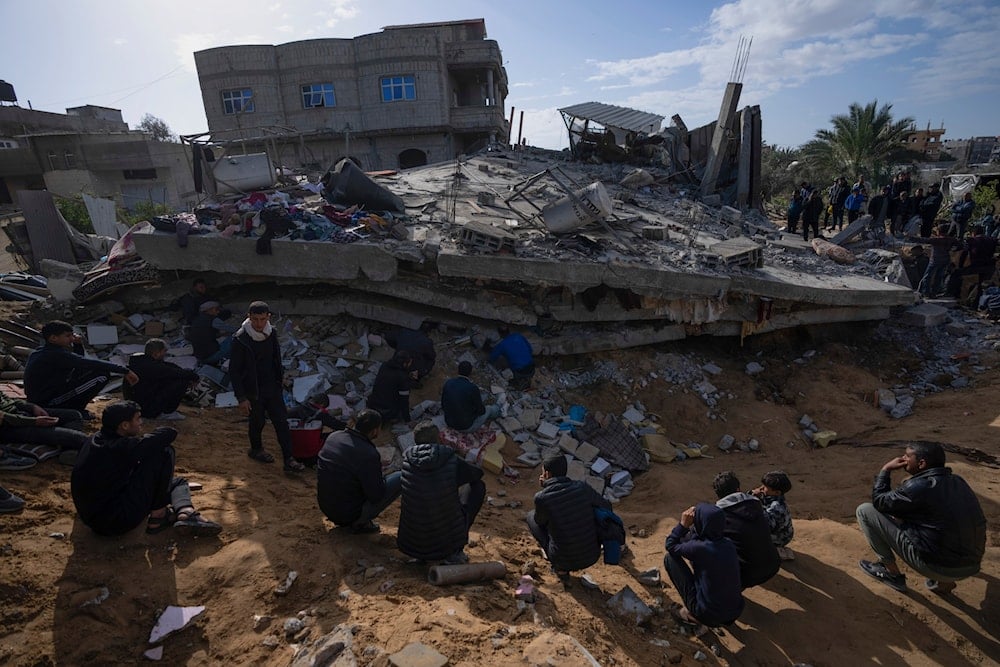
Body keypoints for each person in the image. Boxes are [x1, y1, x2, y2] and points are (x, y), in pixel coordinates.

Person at [70, 401, 221, 536]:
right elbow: (169, 433)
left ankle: (185, 511)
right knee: (164, 452)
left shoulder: (94, 439)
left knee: (177, 482)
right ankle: (159, 516)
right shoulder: (122, 447)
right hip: (116, 521)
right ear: (124, 425)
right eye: (137, 419)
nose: (141, 422)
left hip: (91, 517)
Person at [856, 442, 985, 595]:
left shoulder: (917, 487)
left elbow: (880, 502)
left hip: (938, 567)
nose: (903, 458)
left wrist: (886, 470)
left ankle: (891, 573)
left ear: (922, 463)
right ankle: (943, 583)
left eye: (907, 456)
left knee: (865, 510)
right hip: (972, 564)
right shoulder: (958, 481)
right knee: (941, 526)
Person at [229, 301, 305, 472]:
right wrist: (241, 398)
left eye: (262, 319)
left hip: (272, 388)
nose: (258, 324)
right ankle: (256, 449)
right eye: (255, 319)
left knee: (281, 423)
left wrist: (280, 379)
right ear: (249, 317)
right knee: (257, 422)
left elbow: (275, 359)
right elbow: (234, 371)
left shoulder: (271, 333)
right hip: (253, 390)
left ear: (268, 318)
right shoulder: (241, 339)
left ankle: (289, 459)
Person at [397, 421, 486, 564]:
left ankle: (422, 557)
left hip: (412, 545)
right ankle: (456, 551)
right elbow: (477, 475)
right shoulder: (449, 458)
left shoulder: (407, 462)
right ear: (439, 438)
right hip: (446, 544)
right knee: (478, 487)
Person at [526, 452, 612, 578]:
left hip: (563, 559)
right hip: (592, 555)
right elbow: (607, 507)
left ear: (547, 474)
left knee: (531, 516)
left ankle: (560, 569)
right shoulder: (582, 488)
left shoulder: (542, 498)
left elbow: (540, 522)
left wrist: (545, 487)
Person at [316, 409, 401, 534]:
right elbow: (376, 495)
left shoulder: (334, 436)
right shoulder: (368, 454)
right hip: (348, 515)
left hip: (326, 506)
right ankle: (361, 523)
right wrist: (378, 473)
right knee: (400, 476)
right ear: (375, 431)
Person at [24, 321, 138, 413]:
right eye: (68, 336)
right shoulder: (56, 355)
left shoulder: (42, 351)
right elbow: (87, 363)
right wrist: (124, 370)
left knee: (85, 371)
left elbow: (78, 364)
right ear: (53, 338)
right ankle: (76, 409)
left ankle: (73, 406)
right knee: (101, 376)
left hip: (41, 397)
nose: (72, 338)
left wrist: (78, 345)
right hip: (47, 401)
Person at [663, 503, 744, 628]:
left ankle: (693, 617)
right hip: (735, 611)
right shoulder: (729, 545)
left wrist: (683, 525)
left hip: (707, 614)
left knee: (670, 559)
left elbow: (670, 544)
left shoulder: (700, 548)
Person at [711, 471, 780, 588]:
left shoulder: (717, 516)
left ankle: (724, 593)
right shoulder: (756, 504)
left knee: (705, 551)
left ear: (717, 494)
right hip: (773, 564)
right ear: (738, 489)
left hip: (745, 576)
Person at [126, 339, 199, 420]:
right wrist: (194, 377)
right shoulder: (153, 367)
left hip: (134, 405)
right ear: (156, 353)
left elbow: (169, 367)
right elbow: (172, 372)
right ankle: (167, 412)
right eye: (164, 351)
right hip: (146, 410)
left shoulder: (140, 362)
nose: (165, 354)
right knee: (182, 381)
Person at [0, 387, 88, 453]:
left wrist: (32, 407)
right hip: (8, 426)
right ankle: (68, 443)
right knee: (79, 438)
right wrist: (34, 421)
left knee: (73, 415)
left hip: (19, 414)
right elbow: (5, 418)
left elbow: (8, 400)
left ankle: (67, 449)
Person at [441, 361, 500, 433]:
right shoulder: (472, 388)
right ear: (470, 373)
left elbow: (443, 405)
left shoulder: (448, 383)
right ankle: (500, 410)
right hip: (465, 427)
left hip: (448, 421)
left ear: (458, 370)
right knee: (490, 409)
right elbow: (481, 411)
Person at [944, 223, 997, 299]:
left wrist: (960, 266)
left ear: (974, 233)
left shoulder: (972, 240)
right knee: (982, 286)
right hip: (990, 266)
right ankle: (978, 304)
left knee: (956, 274)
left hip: (977, 265)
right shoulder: (992, 239)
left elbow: (964, 253)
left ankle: (952, 295)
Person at [752, 470, 795, 561]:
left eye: (766, 487)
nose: (762, 488)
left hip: (780, 536)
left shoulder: (778, 507)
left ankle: (774, 550)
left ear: (777, 492)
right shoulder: (770, 496)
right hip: (778, 529)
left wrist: (756, 502)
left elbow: (767, 525)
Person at [908, 223, 959, 297]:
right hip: (945, 260)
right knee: (939, 277)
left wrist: (910, 237)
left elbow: (923, 240)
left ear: (939, 231)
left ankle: (926, 292)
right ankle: (934, 293)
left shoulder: (937, 240)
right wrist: (953, 249)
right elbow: (960, 245)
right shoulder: (951, 240)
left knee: (927, 276)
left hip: (935, 260)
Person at [367, 350, 416, 424]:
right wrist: (408, 420)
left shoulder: (384, 366)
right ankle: (391, 418)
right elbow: (404, 401)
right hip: (386, 411)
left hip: (373, 405)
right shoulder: (402, 377)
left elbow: (392, 380)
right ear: (405, 364)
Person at [187, 301, 235, 365]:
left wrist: (224, 334)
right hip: (210, 356)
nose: (218, 312)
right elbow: (233, 329)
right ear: (209, 310)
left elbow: (207, 335)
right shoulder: (213, 320)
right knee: (235, 338)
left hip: (200, 356)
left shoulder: (197, 320)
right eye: (216, 309)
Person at [489, 326, 535, 391]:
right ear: (509, 331)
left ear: (500, 334)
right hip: (532, 367)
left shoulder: (502, 344)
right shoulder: (518, 336)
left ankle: (519, 381)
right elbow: (530, 349)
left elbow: (492, 357)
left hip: (520, 372)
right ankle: (525, 379)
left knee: (502, 359)